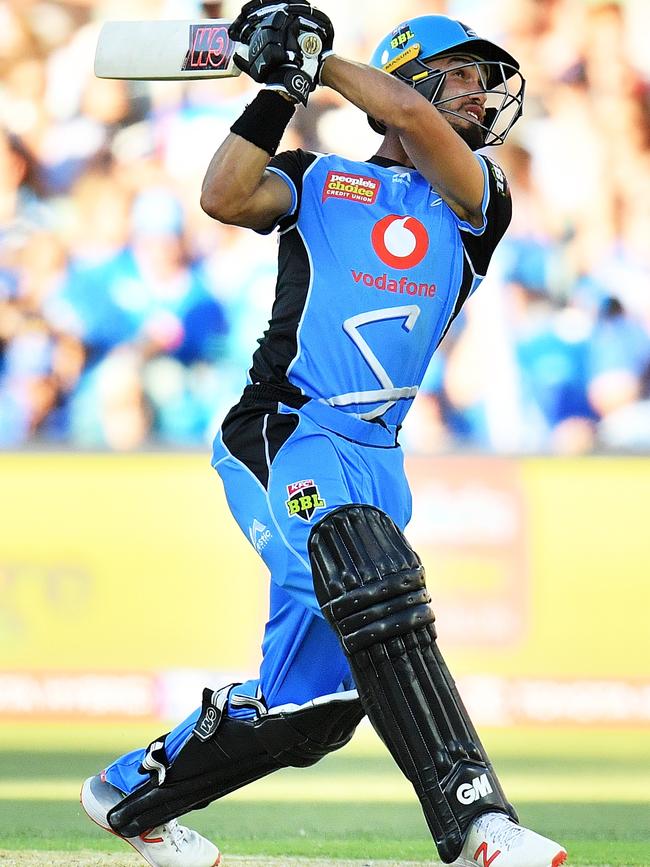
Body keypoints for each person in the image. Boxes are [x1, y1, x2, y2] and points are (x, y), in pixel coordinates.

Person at [81, 4, 567, 866]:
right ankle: (477, 821)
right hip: (286, 429)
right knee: (371, 576)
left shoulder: (477, 204)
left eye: (481, 79)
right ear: (408, 84)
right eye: (459, 75)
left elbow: (412, 121)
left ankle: (129, 793)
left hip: (378, 455)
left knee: (316, 712)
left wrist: (315, 56)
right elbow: (224, 194)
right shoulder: (316, 180)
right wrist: (278, 85)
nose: (478, 93)